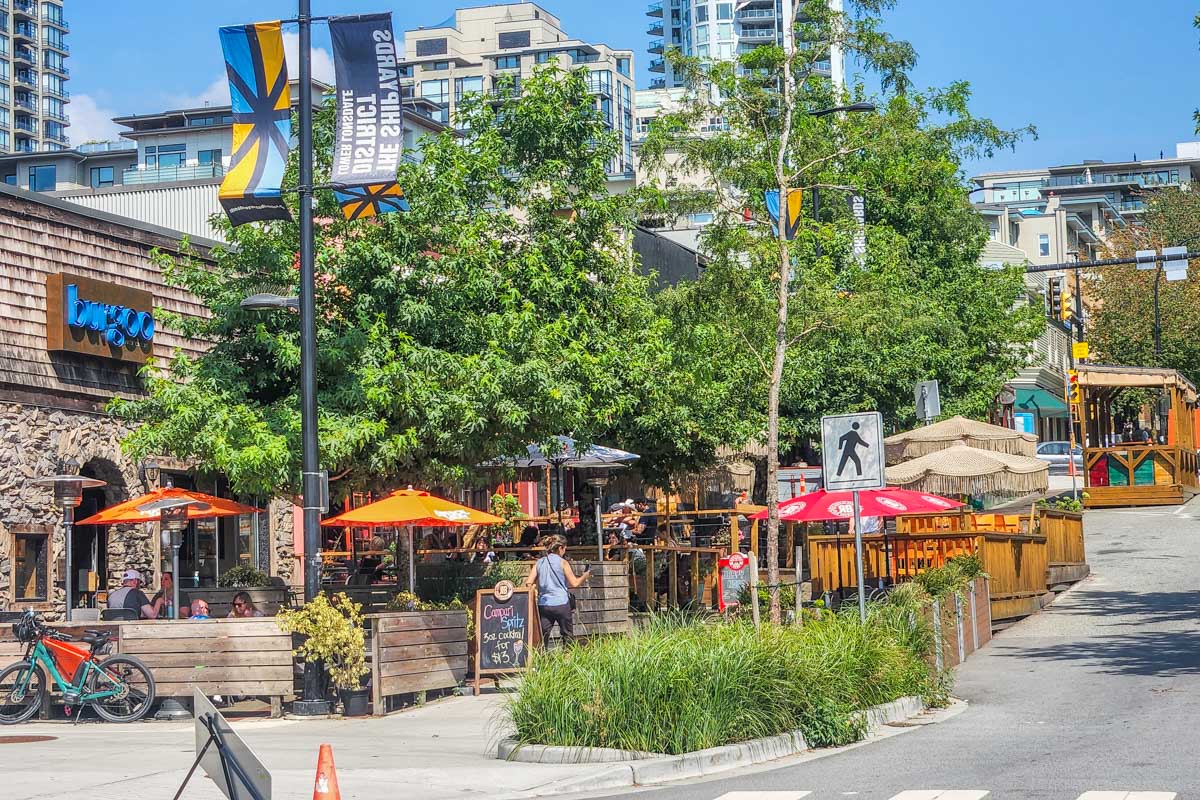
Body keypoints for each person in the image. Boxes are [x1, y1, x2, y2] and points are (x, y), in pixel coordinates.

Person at [525, 535, 591, 647]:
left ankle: (541, 660)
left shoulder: (539, 562)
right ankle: (567, 659)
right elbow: (574, 583)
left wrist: (535, 591)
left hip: (544, 604)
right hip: (561, 604)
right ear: (560, 548)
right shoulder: (563, 562)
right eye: (564, 549)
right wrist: (585, 575)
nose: (564, 552)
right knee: (567, 635)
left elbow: (528, 583)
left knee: (542, 636)